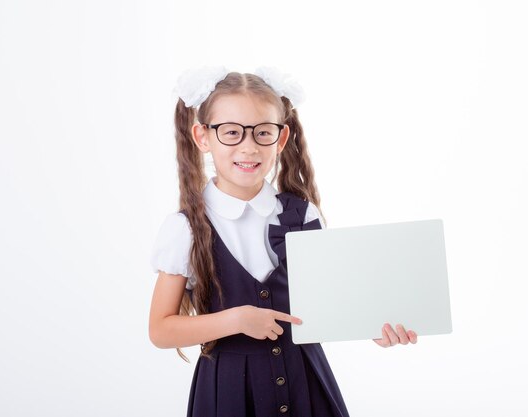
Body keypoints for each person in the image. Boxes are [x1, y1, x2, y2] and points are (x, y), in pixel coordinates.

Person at [148, 67, 418, 417]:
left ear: (281, 137)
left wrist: (376, 328)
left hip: (306, 383)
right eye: (231, 132)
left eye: (262, 133)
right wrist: (237, 320)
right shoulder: (184, 229)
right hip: (227, 394)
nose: (248, 147)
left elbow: (333, 306)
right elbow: (161, 329)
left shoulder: (304, 216)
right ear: (203, 136)